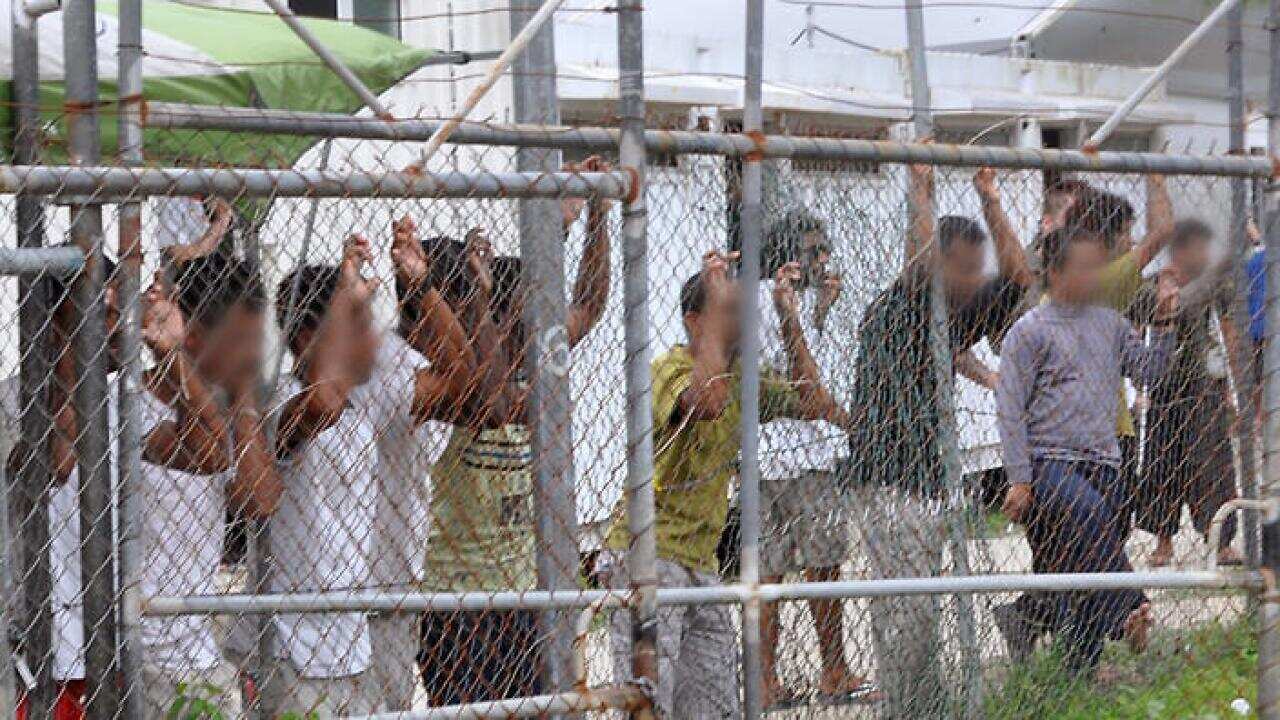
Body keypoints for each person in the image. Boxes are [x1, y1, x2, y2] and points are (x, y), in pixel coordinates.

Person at [603, 250, 851, 719]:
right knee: (648, 705)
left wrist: (788, 319)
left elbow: (813, 400)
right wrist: (719, 316)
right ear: (697, 322)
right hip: (647, 558)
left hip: (701, 562)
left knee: (716, 706)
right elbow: (708, 401)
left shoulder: (743, 377)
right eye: (729, 313)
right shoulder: (665, 370)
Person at [419, 158, 613, 706]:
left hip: (525, 589)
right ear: (500, 315)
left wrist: (594, 214)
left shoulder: (530, 366)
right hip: (459, 599)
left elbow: (589, 305)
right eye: (526, 311)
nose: (541, 324)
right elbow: (493, 401)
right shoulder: (455, 383)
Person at [845, 165, 1031, 718]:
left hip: (926, 481)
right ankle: (909, 711)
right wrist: (920, 184)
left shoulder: (950, 317)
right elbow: (921, 263)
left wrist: (991, 200)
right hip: (889, 481)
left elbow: (1019, 278)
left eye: (978, 270)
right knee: (905, 619)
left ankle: (923, 708)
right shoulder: (907, 306)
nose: (977, 279)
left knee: (920, 615)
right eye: (966, 268)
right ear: (939, 262)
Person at [992, 175, 1173, 657]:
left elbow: (1150, 372)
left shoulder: (1109, 323)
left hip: (1104, 458)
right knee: (1088, 512)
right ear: (1054, 272)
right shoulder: (1029, 332)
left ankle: (1079, 668)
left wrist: (1168, 323)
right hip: (1050, 461)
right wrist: (1019, 478)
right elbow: (1009, 409)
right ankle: (1130, 609)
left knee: (1091, 553)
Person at [755, 208, 873, 707]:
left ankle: (765, 679)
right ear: (788, 255)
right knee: (823, 567)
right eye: (813, 250)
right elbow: (811, 389)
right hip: (803, 455)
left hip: (764, 457)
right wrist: (851, 423)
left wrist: (821, 311)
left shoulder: (775, 299)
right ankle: (833, 670)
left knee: (767, 571)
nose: (823, 258)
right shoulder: (774, 302)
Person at [362, 216, 477, 711]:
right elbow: (468, 384)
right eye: (465, 308)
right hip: (362, 583)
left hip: (390, 578)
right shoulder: (390, 361)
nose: (470, 324)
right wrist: (424, 287)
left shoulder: (420, 362)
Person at [2, 255, 120, 720]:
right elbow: (55, 464)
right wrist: (77, 358)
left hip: (108, 644)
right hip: (38, 651)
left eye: (116, 312)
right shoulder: (13, 401)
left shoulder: (126, 401)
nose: (116, 327)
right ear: (54, 325)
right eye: (101, 314)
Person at [1129, 219, 1245, 567]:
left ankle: (1221, 540)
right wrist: (1138, 387)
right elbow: (1135, 328)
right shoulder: (1153, 287)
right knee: (1161, 466)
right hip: (1165, 386)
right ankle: (1163, 542)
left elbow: (1228, 333)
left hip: (1204, 385)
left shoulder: (1215, 285)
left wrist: (1232, 389)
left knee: (1213, 465)